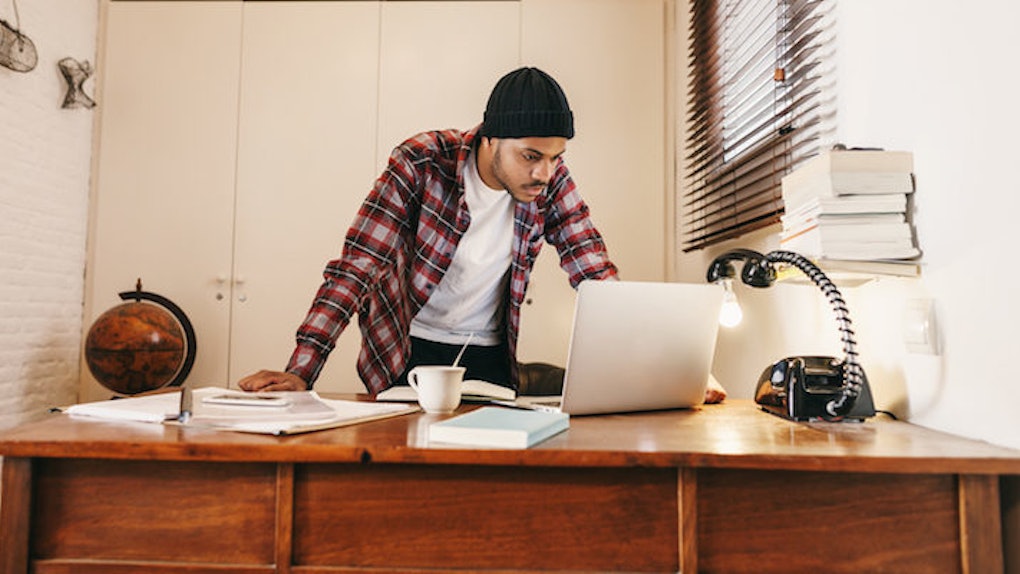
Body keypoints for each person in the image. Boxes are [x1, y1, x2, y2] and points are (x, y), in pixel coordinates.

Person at [238, 66, 726, 404]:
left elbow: (595, 274)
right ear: (489, 138)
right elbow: (358, 266)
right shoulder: (421, 162)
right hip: (408, 348)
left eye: (555, 157)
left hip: (490, 354)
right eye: (530, 156)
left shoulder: (551, 181)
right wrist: (302, 371)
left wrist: (671, 371)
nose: (544, 172)